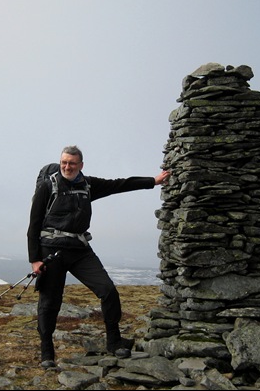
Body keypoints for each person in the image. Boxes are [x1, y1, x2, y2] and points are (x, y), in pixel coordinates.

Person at [27, 145, 170, 368]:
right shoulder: (48, 187)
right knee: (50, 302)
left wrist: (153, 181)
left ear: (81, 165)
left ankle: (114, 342)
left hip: (79, 249)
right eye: (64, 162)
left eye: (72, 163)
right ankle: (47, 353)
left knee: (108, 290)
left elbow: (118, 185)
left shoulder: (88, 185)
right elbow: (34, 224)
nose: (67, 167)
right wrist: (35, 260)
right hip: (51, 251)